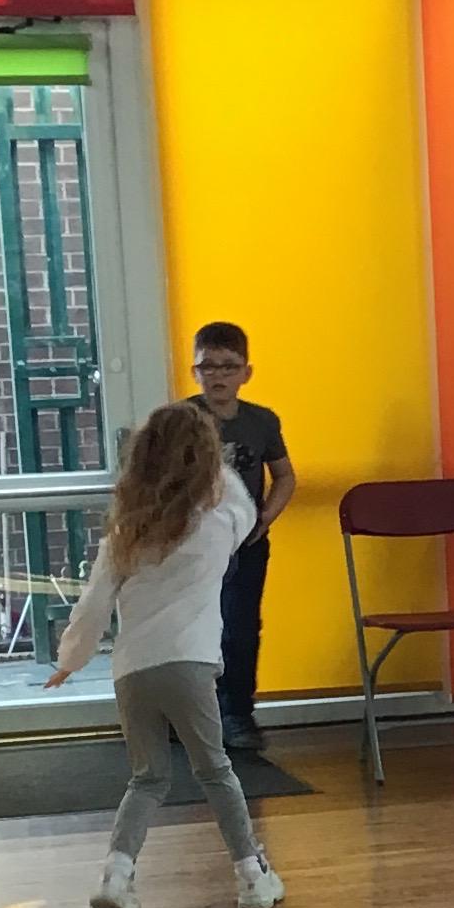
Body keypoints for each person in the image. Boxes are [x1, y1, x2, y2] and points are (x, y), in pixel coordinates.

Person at [47, 400, 285, 908]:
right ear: (207, 460)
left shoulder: (125, 535)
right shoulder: (217, 523)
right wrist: (214, 462)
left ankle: (116, 877)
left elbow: (92, 606)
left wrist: (70, 661)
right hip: (190, 664)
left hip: (132, 671)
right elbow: (247, 510)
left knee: (147, 778)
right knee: (215, 771)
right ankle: (253, 876)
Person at [187, 321, 294, 755]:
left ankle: (238, 712)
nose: (218, 375)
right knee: (195, 627)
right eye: (208, 366)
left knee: (242, 627)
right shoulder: (182, 420)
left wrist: (264, 519)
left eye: (228, 366)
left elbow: (284, 476)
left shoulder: (261, 421)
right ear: (195, 372)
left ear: (246, 372)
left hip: (246, 544)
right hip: (195, 546)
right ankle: (192, 713)